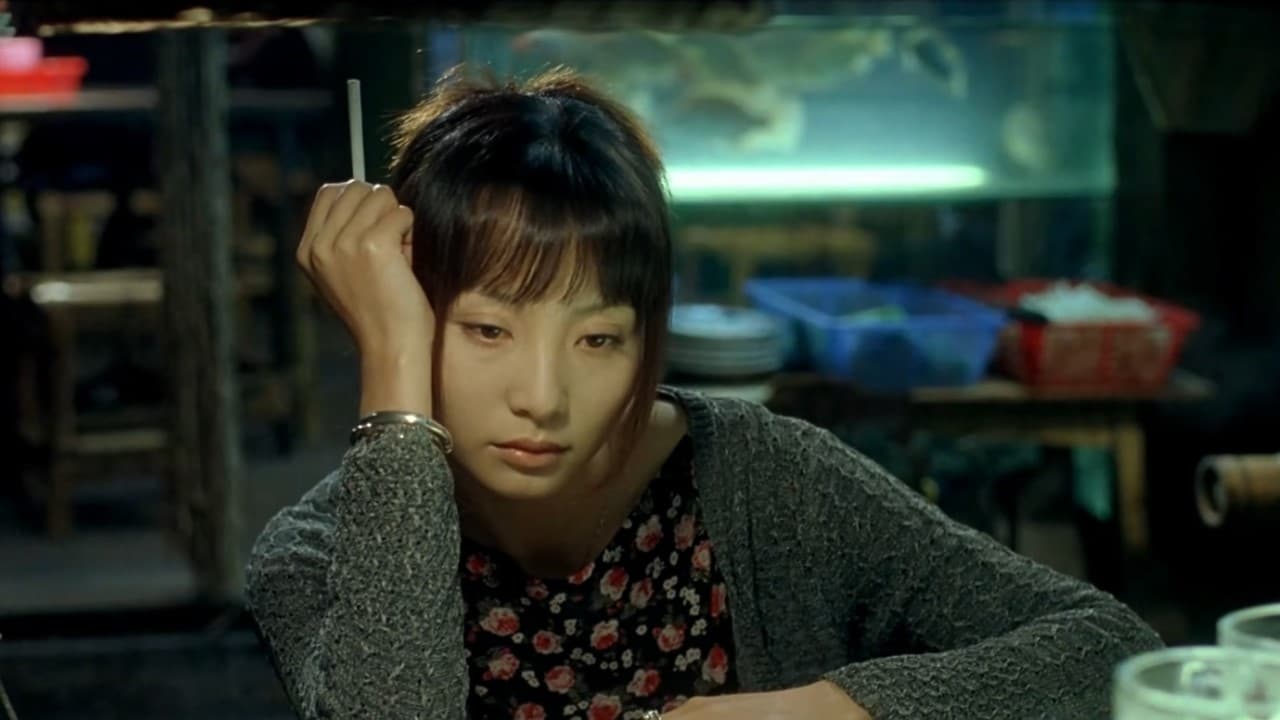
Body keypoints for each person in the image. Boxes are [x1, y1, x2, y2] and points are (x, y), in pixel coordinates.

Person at [245, 66, 1162, 720]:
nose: (543, 397)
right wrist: (394, 376)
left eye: (599, 339)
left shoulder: (762, 478)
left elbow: (1111, 649)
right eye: (487, 330)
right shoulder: (313, 554)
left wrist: (823, 709)